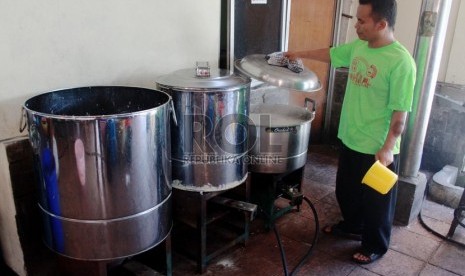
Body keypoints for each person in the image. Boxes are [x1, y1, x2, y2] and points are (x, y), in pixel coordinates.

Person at [286, 0, 416, 264]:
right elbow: (332, 53)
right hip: (351, 137)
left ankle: (375, 245)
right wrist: (298, 53)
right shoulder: (359, 46)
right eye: (356, 20)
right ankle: (353, 225)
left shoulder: (401, 62)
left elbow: (401, 113)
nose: (356, 26)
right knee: (346, 192)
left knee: (377, 204)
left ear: (382, 24)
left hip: (378, 148)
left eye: (361, 21)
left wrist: (389, 146)